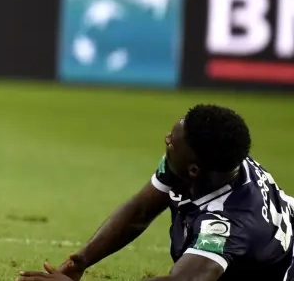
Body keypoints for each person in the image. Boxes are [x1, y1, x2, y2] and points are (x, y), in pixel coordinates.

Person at [16, 104, 294, 281]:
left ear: (194, 169)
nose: (166, 139)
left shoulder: (224, 225)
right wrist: (82, 260)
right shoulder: (212, 165)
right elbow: (140, 211)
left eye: (172, 142)